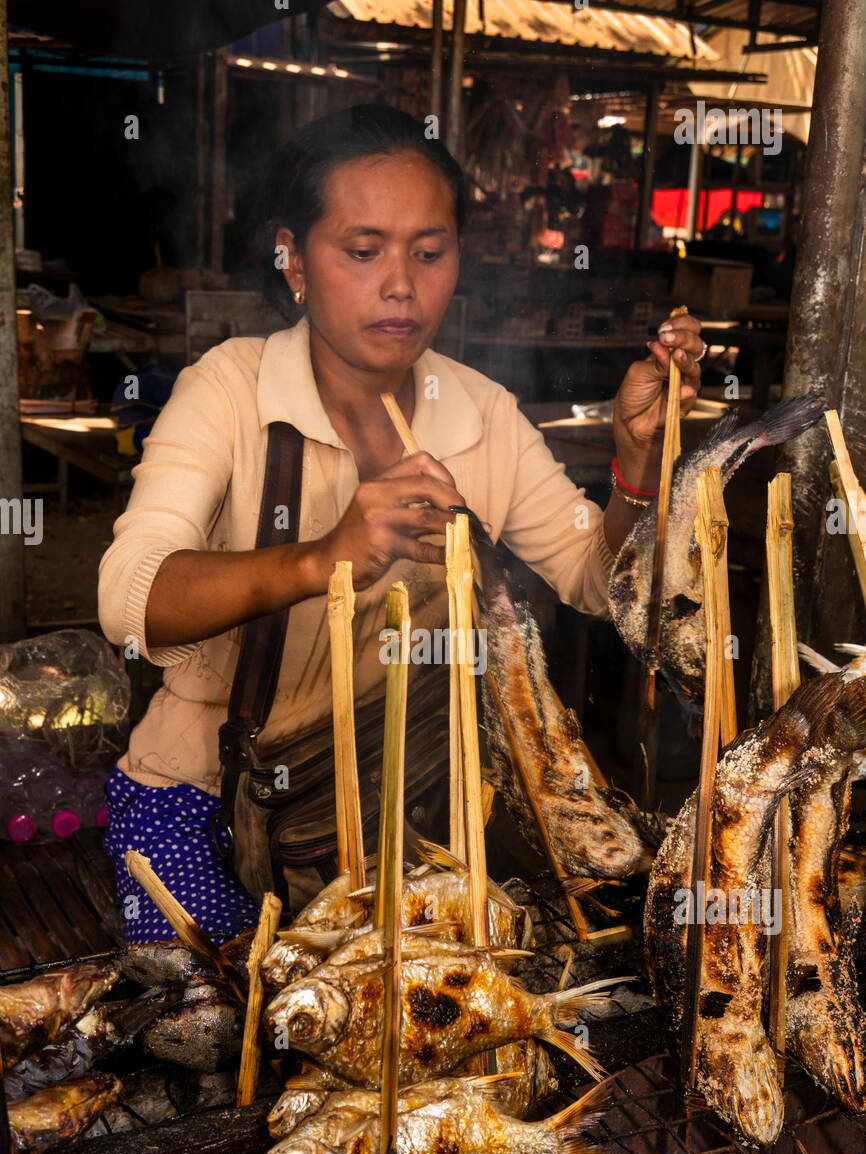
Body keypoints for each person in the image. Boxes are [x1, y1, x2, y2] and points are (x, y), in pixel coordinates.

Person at [97, 103, 706, 945]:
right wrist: (322, 557)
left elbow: (600, 585)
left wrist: (636, 470)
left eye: (429, 253)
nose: (400, 286)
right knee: (210, 1035)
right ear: (293, 259)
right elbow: (130, 599)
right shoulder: (231, 390)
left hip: (403, 815)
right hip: (205, 800)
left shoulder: (479, 411)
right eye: (362, 251)